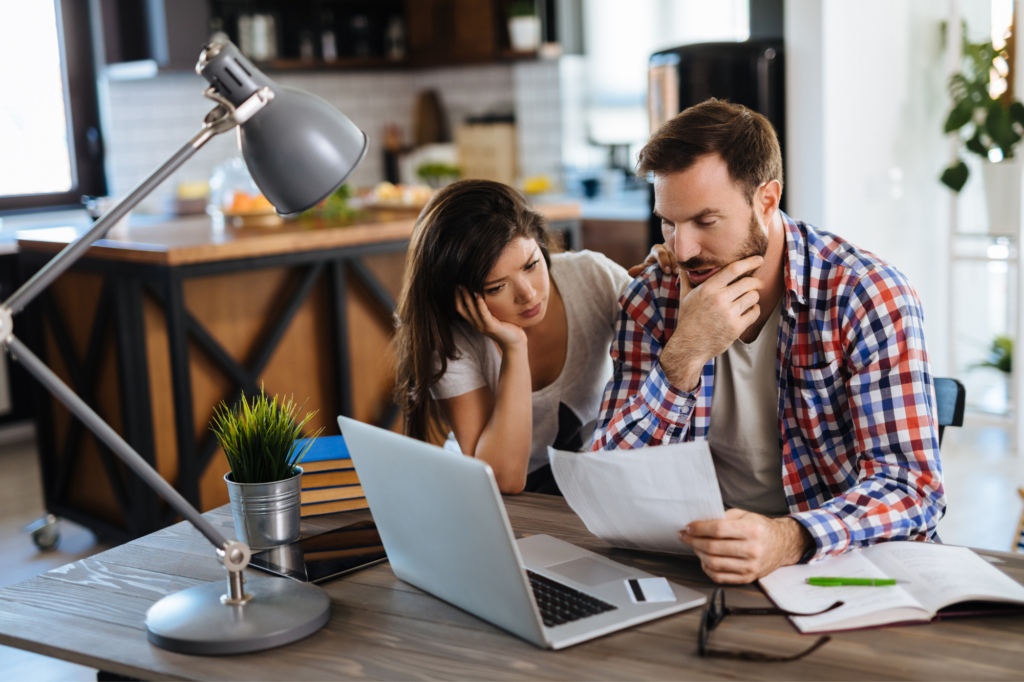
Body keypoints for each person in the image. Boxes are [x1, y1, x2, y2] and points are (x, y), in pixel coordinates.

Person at [592, 99, 945, 584]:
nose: (683, 249)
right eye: (669, 223)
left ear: (767, 199)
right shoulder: (651, 297)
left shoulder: (866, 295)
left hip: (837, 562)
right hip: (700, 564)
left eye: (705, 221)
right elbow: (607, 483)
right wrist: (683, 356)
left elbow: (912, 489)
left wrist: (788, 538)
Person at [394, 179, 670, 495]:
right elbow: (502, 480)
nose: (528, 294)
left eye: (531, 264)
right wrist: (514, 347)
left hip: (587, 484)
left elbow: (670, 343)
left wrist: (663, 282)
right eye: (496, 287)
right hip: (489, 500)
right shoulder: (451, 341)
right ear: (459, 295)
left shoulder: (591, 277)